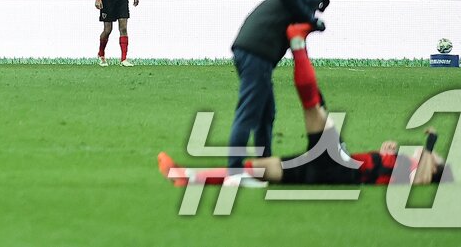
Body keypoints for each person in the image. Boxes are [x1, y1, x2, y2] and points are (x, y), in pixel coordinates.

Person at [161, 25, 445, 186]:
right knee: (256, 169)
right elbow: (384, 169)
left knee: (314, 105)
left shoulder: (416, 172)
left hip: (340, 165)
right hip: (330, 169)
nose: (428, 153)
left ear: (433, 168)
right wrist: (388, 152)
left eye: (436, 159)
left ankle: (298, 44)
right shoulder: (405, 165)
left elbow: (418, 181)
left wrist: (430, 145)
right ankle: (184, 175)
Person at [227, 0, 340, 167]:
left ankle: (264, 162)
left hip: (249, 49)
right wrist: (310, 20)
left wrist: (311, 22)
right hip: (256, 52)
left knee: (265, 112)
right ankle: (234, 169)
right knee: (249, 113)